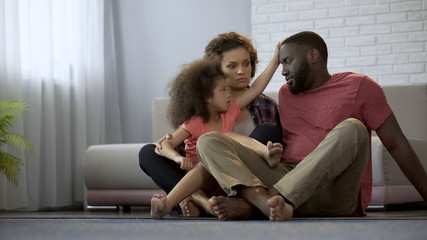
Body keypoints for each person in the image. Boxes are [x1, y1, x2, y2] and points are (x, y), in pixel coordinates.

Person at [192, 31, 427, 221]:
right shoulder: (286, 93)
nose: (282, 71)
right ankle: (262, 201)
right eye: (280, 63)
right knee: (209, 140)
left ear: (313, 56)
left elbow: (397, 145)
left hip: (334, 189)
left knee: (353, 128)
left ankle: (259, 204)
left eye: (288, 62)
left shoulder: (360, 87)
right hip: (287, 175)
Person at [139, 32, 282, 217]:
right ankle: (202, 202)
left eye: (246, 63)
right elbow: (173, 145)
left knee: (265, 131)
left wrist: (275, 61)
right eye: (232, 66)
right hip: (197, 176)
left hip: (234, 176)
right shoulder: (199, 115)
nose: (242, 71)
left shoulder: (257, 106)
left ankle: (197, 202)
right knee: (148, 153)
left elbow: (255, 88)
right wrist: (174, 154)